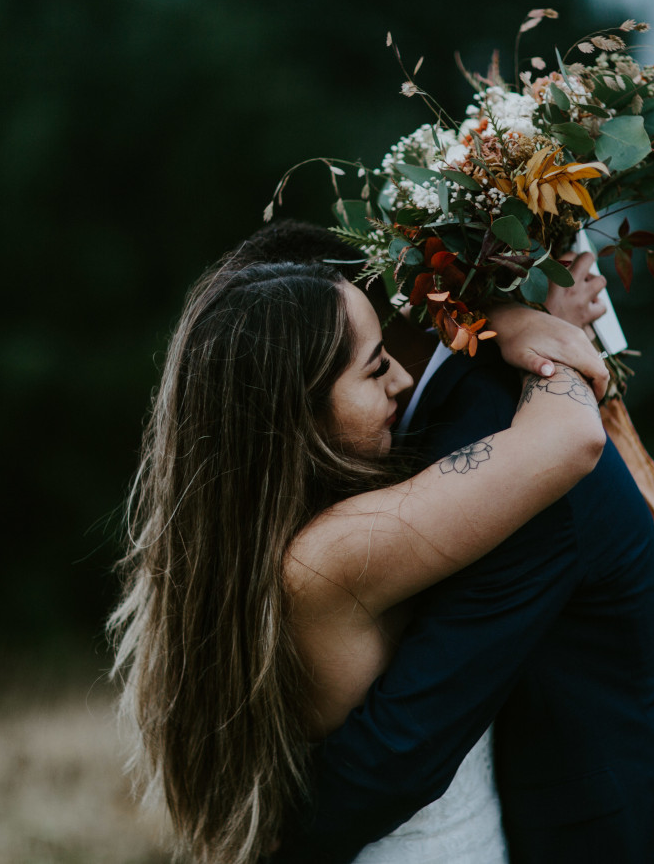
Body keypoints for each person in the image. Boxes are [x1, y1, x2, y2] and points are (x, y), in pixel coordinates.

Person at [108, 241, 610, 864]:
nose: (401, 377)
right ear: (296, 416)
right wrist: (536, 326)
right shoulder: (333, 554)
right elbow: (571, 438)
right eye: (376, 370)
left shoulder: (248, 549)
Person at [268, 241, 654, 861]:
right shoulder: (469, 415)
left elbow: (410, 736)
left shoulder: (502, 445)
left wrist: (278, 846)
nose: (391, 374)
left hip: (631, 835)